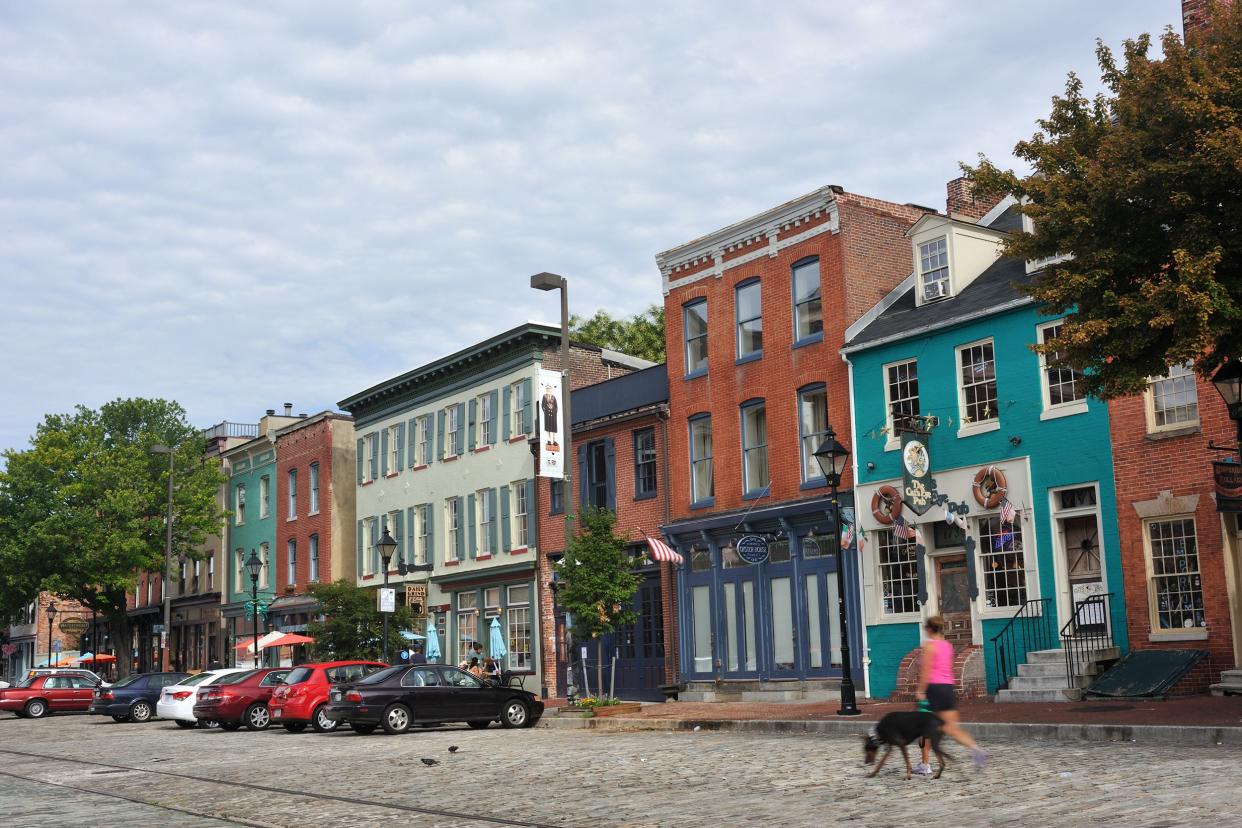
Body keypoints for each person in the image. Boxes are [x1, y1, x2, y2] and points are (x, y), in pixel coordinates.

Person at [914, 615, 985, 776]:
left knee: (925, 727)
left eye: (926, 628)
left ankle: (925, 765)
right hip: (948, 688)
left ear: (929, 629)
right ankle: (975, 749)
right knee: (951, 727)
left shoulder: (929, 646)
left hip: (934, 689)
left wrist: (920, 690)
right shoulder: (947, 646)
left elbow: (926, 671)